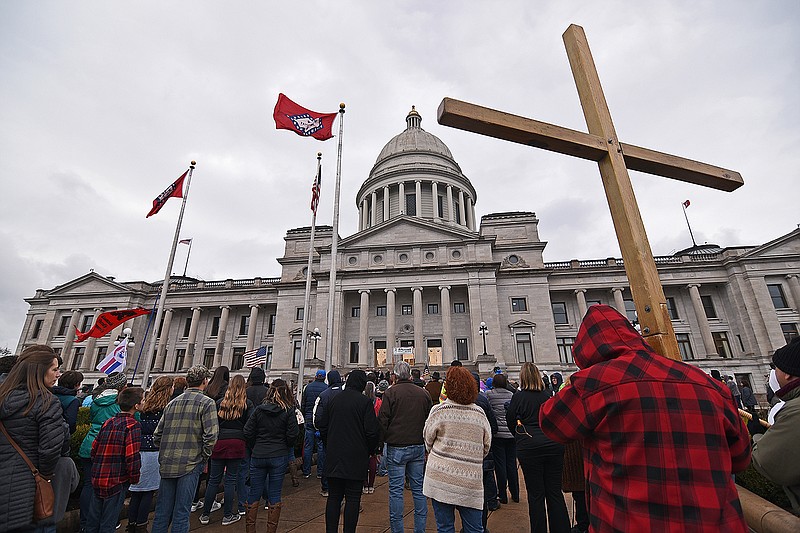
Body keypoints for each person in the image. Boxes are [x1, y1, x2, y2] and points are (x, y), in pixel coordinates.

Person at [540, 304, 751, 532]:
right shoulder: (708, 384)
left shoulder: (593, 384)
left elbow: (551, 423)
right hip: (714, 524)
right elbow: (740, 458)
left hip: (629, 522)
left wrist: (574, 382)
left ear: (585, 350)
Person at [0, 345, 69, 533]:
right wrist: (45, 477)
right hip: (26, 489)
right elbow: (51, 448)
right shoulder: (46, 401)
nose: (58, 374)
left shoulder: (3, 396)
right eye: (55, 369)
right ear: (39, 371)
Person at [423, 366, 491, 533]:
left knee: (445, 528)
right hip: (469, 480)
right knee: (474, 529)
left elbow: (427, 440)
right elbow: (486, 446)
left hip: (441, 479)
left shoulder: (439, 411)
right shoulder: (479, 413)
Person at [151, 365, 219, 533]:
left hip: (167, 463)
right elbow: (211, 436)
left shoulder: (171, 403)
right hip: (190, 463)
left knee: (161, 513)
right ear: (205, 381)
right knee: (182, 512)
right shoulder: (207, 403)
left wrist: (167, 452)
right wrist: (203, 457)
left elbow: (157, 435)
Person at [507, 362, 570, 533]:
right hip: (553, 444)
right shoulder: (548, 395)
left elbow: (510, 421)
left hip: (529, 447)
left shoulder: (518, 397)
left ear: (522, 377)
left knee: (536, 495)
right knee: (555, 493)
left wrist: (521, 438)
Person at [317, 369, 380, 533]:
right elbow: (372, 432)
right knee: (353, 499)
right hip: (356, 457)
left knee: (334, 498)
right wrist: (370, 450)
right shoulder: (364, 402)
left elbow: (322, 425)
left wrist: (329, 443)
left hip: (334, 455)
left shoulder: (334, 399)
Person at [378, 360, 433, 533]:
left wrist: (381, 444)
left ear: (394, 375)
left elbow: (382, 421)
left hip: (396, 447)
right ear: (410, 375)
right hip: (417, 447)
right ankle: (420, 530)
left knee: (396, 491)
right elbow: (429, 421)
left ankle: (397, 530)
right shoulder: (423, 393)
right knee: (418, 489)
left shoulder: (390, 393)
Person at [752, 337, 800, 514]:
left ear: (788, 373)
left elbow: (767, 461)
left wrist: (757, 437)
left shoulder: (795, 410)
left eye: (775, 368)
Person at [243, 379, 299, 533]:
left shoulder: (259, 410)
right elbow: (293, 434)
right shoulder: (288, 411)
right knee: (274, 494)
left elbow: (247, 431)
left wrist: (256, 445)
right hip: (278, 455)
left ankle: (250, 530)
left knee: (254, 492)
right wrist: (285, 445)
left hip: (259, 454)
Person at [87, 386, 144, 533]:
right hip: (117, 479)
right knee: (109, 521)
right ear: (136, 405)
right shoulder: (133, 426)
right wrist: (134, 477)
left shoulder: (108, 422)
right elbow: (132, 456)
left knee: (93, 519)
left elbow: (94, 448)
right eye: (143, 400)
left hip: (99, 476)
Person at [198, 374, 252, 526]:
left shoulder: (220, 403)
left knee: (214, 480)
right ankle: (227, 515)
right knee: (230, 480)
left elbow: (213, 424)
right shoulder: (247, 404)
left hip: (220, 442)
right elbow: (250, 426)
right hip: (237, 442)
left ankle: (205, 514)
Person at [78, 370, 128, 532]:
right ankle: (106, 524)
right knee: (110, 489)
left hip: (89, 444)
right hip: (108, 447)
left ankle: (86, 523)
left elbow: (93, 419)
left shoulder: (95, 400)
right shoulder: (120, 403)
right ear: (122, 386)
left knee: (89, 486)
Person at [127, 376, 173, 533]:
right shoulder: (167, 406)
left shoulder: (144, 405)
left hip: (140, 449)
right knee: (148, 492)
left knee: (136, 492)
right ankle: (141, 525)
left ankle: (132, 524)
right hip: (154, 450)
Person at [485, 373, 519, 506]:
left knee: (500, 465)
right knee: (511, 464)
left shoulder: (489, 395)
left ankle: (503, 495)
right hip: (511, 434)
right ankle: (515, 494)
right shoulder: (512, 396)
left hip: (498, 434)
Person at [314, 370, 343, 497]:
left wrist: (322, 432)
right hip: (343, 433)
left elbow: (318, 418)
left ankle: (326, 487)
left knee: (327, 460)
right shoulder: (346, 393)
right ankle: (341, 487)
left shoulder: (324, 395)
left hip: (328, 434)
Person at [301, 369, 328, 480]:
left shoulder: (308, 387)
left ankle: (306, 471)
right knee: (321, 447)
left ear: (316, 376)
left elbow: (303, 403)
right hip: (320, 420)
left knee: (308, 446)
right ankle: (320, 472)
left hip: (308, 418)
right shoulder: (326, 389)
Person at [362, 381, 382, 494]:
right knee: (373, 458)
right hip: (375, 431)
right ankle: (371, 485)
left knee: (363, 459)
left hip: (364, 431)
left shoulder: (362, 401)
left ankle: (365, 484)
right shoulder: (378, 402)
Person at [53, 369, 84, 434]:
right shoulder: (73, 401)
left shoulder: (49, 393)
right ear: (77, 384)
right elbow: (71, 423)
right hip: (59, 434)